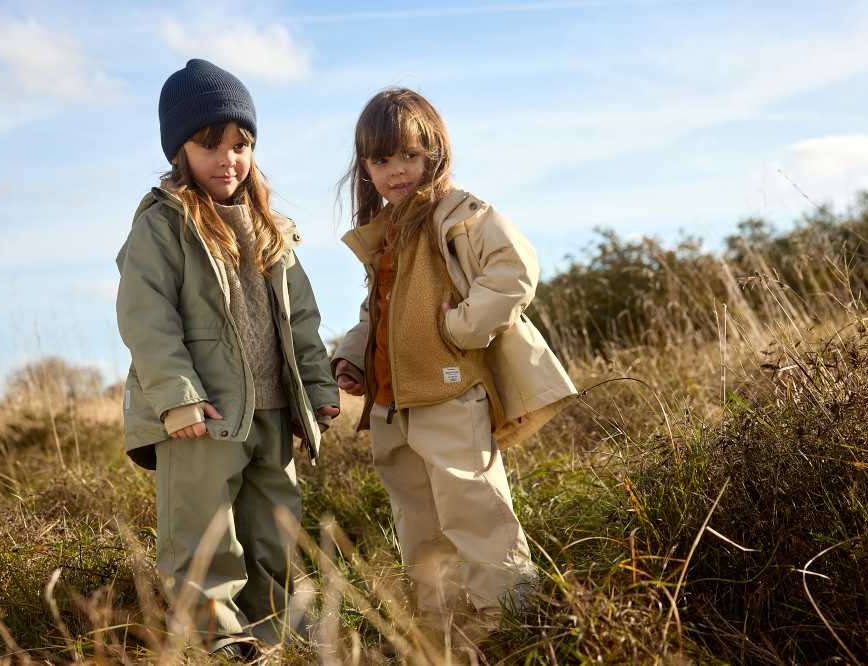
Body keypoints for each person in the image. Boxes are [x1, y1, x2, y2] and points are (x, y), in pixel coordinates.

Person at [332, 88, 577, 644]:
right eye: (380, 160)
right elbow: (379, 311)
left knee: (477, 515)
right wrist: (353, 355)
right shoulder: (389, 232)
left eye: (408, 157)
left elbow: (515, 269)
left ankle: (512, 629)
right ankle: (445, 638)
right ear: (365, 166)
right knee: (419, 531)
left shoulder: (461, 213)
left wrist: (461, 327)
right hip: (395, 407)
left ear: (434, 154)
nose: (395, 171)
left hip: (450, 392)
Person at [115, 58, 339, 658]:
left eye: (240, 144)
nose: (227, 159)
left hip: (271, 410)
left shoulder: (274, 228)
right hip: (202, 416)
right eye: (208, 145)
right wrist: (179, 398)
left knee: (276, 534)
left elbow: (302, 318)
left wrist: (315, 388)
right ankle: (221, 644)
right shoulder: (163, 224)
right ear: (179, 150)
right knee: (205, 539)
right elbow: (146, 319)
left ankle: (280, 639)